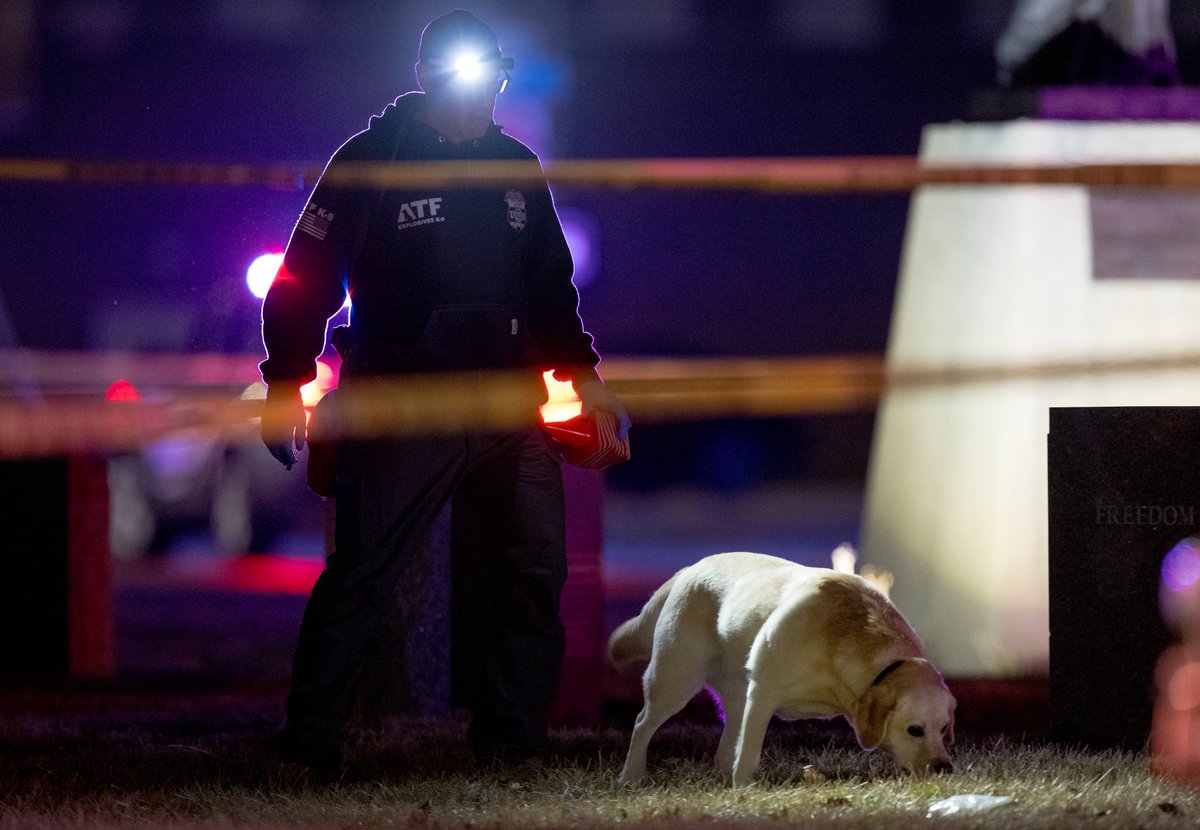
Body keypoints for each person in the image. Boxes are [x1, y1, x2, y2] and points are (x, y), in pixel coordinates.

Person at [258, 9, 630, 775]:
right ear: (426, 80)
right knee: (363, 573)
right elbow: (303, 278)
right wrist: (285, 379)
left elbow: (551, 289)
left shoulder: (516, 168)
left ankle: (512, 746)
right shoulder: (373, 159)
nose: (479, 96)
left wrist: (585, 380)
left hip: (505, 401)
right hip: (405, 400)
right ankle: (308, 747)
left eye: (491, 79)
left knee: (534, 573)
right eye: (464, 80)